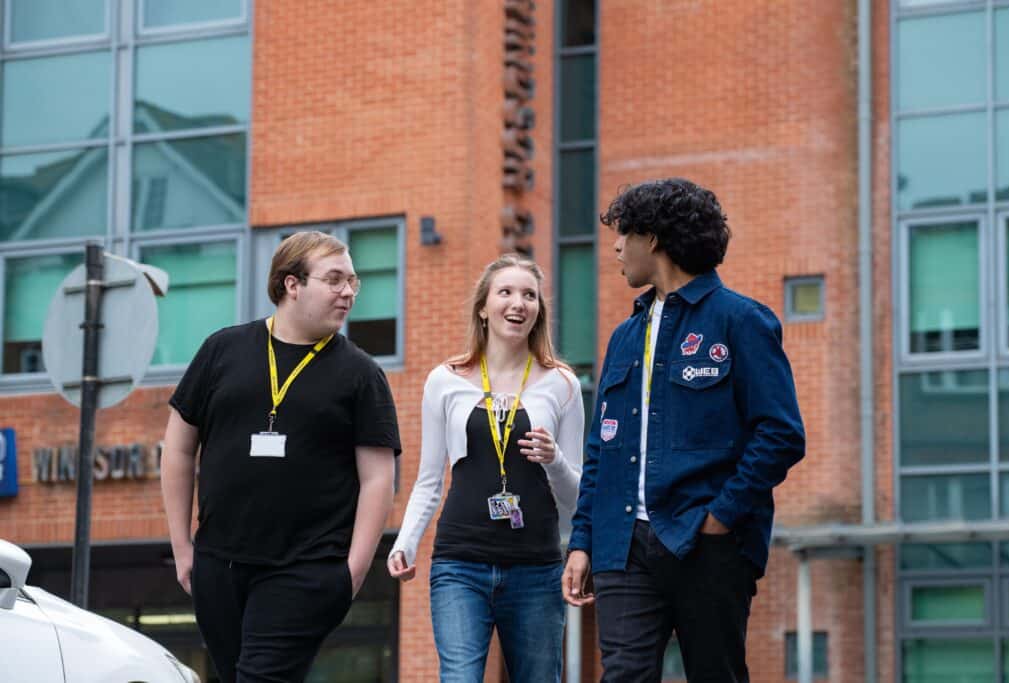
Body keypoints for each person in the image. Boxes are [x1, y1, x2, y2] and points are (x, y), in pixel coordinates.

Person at [562, 178, 805, 683]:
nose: (615, 247)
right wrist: (583, 540)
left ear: (652, 238)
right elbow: (601, 448)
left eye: (624, 234)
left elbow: (781, 433)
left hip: (706, 543)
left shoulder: (741, 321)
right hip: (622, 546)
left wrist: (720, 517)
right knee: (623, 675)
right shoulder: (624, 336)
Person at [161, 231, 401, 683]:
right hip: (219, 564)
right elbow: (178, 447)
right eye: (334, 279)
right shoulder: (222, 349)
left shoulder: (361, 374)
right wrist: (182, 547)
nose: (348, 292)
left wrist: (352, 572)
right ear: (292, 284)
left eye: (353, 281)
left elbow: (378, 479)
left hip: (307, 568)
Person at [387, 254, 584, 683]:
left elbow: (577, 498)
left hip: (536, 567)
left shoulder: (563, 383)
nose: (518, 303)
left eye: (529, 295)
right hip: (460, 563)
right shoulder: (445, 379)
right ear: (483, 307)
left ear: (538, 310)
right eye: (505, 292)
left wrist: (554, 460)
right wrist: (406, 542)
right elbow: (428, 480)